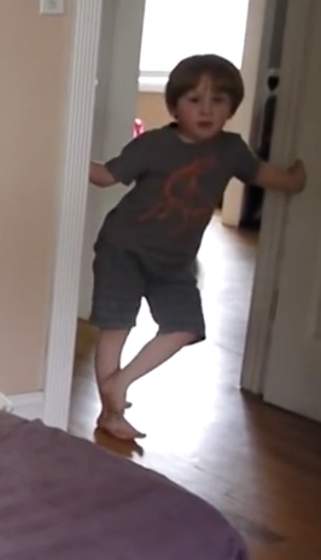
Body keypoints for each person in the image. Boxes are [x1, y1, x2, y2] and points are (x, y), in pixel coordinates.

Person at [87, 53, 307, 441]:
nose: (206, 110)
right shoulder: (154, 144)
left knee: (185, 326)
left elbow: (263, 174)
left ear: (231, 107)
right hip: (123, 249)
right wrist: (64, 153)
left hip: (175, 261)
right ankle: (111, 414)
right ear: (174, 105)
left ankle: (119, 384)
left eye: (218, 100)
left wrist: (294, 181)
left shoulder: (232, 150)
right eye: (194, 100)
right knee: (116, 325)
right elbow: (106, 176)